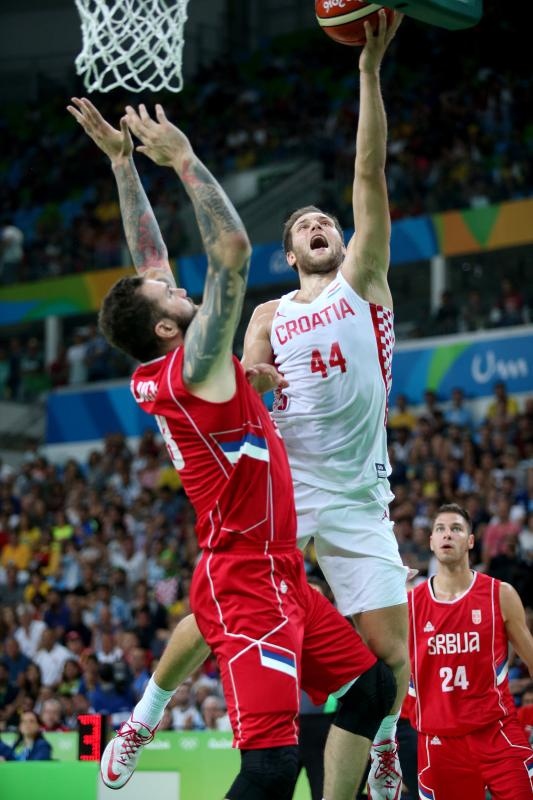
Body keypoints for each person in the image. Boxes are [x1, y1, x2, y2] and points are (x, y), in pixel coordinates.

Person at [68, 92, 396, 800]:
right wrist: (182, 158)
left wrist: (125, 166)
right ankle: (144, 719)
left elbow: (149, 260)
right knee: (271, 768)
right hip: (246, 585)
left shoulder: (173, 362)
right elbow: (232, 251)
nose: (180, 287)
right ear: (166, 330)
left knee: (372, 689)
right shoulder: (196, 365)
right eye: (172, 297)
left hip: (282, 571)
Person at [241, 12, 407, 799]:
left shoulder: (362, 281)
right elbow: (239, 382)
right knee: (225, 594)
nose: (319, 224)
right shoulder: (269, 314)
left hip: (358, 496)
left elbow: (367, 176)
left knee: (393, 659)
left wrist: (369, 73)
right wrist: (254, 374)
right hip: (286, 486)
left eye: (326, 221)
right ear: (287, 253)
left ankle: (379, 751)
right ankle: (149, 708)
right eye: (303, 225)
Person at [408, 503, 533, 799]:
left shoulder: (499, 594)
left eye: (456, 529)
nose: (447, 535)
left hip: (496, 733)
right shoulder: (409, 604)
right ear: (431, 542)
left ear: (471, 541)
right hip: (439, 740)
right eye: (440, 529)